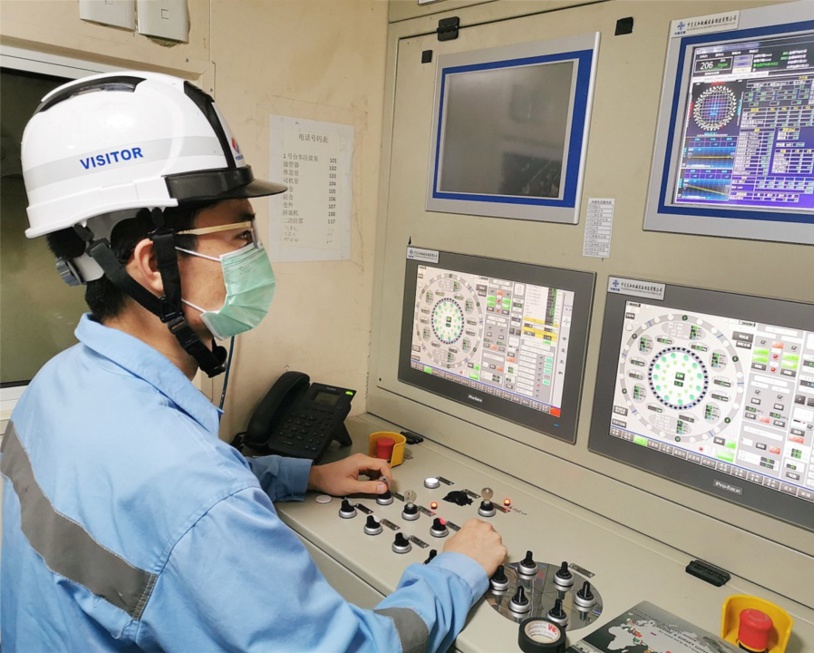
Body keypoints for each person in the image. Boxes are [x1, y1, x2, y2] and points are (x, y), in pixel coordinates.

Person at [0, 71, 506, 652]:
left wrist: (303, 477)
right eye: (240, 235)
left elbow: (145, 515)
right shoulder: (194, 492)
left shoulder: (57, 384)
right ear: (152, 263)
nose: (257, 257)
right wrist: (456, 571)